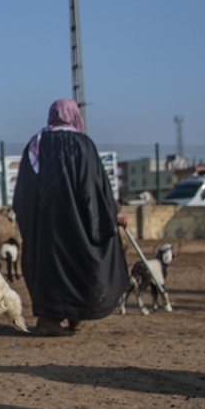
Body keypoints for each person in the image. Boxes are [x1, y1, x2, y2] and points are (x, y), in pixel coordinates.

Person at [12, 99, 131, 336]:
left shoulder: (35, 145)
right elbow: (94, 188)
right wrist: (110, 213)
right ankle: (78, 314)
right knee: (81, 263)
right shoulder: (82, 144)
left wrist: (31, 222)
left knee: (48, 267)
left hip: (44, 229)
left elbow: (22, 192)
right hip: (77, 227)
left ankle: (49, 319)